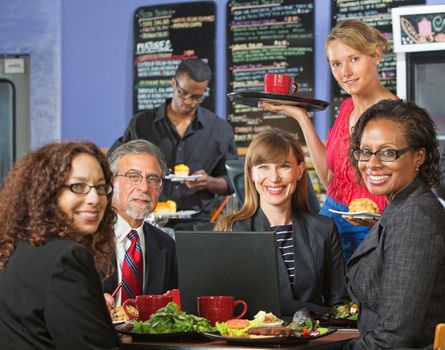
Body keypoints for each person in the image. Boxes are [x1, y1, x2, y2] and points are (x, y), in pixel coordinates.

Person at [260, 19, 398, 261]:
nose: (345, 73)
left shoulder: (396, 116)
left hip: (370, 230)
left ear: (375, 55)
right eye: (336, 64)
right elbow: (330, 180)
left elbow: (406, 191)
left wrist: (381, 219)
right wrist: (300, 116)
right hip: (329, 224)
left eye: (354, 59)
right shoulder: (346, 108)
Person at [344, 100, 445, 349]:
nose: (372, 163)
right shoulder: (404, 206)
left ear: (418, 157)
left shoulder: (414, 218)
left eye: (388, 152)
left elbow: (392, 338)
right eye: (365, 151)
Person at [0, 142, 120, 350]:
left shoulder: (13, 248)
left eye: (101, 187)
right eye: (78, 187)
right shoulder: (67, 256)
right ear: (47, 192)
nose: (95, 199)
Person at [215, 128, 348, 316]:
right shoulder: (231, 229)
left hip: (312, 340)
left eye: (284, 166)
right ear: (251, 173)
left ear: (299, 171)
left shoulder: (324, 229)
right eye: (264, 167)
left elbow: (339, 306)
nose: (274, 177)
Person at [110, 58, 238, 230]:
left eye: (197, 97)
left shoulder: (220, 130)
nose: (188, 101)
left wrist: (209, 182)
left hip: (197, 225)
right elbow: (114, 165)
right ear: (173, 83)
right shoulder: (142, 124)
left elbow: (231, 182)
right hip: (147, 220)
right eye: (183, 93)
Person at [103, 140, 178, 308]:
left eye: (153, 179)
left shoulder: (166, 245)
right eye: (133, 176)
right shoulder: (85, 239)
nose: (144, 187)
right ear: (111, 182)